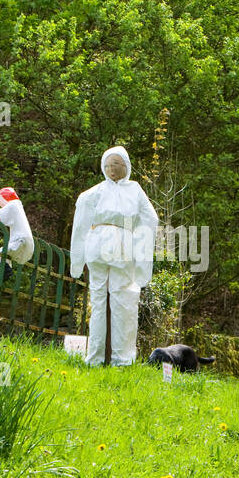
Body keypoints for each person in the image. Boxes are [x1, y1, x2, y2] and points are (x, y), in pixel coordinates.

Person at [69, 146, 158, 366]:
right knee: (99, 302)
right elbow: (80, 224)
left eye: (116, 165)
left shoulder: (134, 190)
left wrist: (140, 248)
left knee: (124, 302)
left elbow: (150, 219)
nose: (111, 169)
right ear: (102, 167)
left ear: (126, 167)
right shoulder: (94, 193)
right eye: (107, 165)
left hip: (121, 247)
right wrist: (77, 259)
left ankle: (121, 358)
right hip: (100, 247)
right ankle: (96, 358)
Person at [0, 186, 35, 284]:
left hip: (20, 239)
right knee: (2, 256)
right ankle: (0, 275)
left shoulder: (13, 205)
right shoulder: (17, 207)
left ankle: (4, 273)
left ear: (5, 196)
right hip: (23, 239)